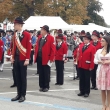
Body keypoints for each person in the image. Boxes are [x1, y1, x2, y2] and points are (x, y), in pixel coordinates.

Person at [11, 17, 31, 102]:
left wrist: (27, 58)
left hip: (23, 58)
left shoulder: (27, 34)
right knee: (17, 76)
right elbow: (13, 47)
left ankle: (23, 95)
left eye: (15, 24)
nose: (14, 26)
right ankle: (18, 94)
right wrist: (12, 57)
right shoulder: (15, 35)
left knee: (23, 77)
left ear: (20, 25)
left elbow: (29, 48)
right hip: (16, 58)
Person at [34, 25, 55, 92]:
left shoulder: (51, 38)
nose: (41, 31)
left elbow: (53, 49)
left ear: (45, 31)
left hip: (46, 58)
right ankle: (41, 85)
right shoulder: (40, 37)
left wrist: (51, 59)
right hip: (39, 57)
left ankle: (46, 86)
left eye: (42, 30)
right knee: (41, 72)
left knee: (46, 73)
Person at [94, 36, 110, 110]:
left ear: (107, 42)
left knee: (109, 89)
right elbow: (95, 60)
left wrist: (108, 61)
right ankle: (103, 105)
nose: (101, 42)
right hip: (101, 70)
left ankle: (109, 105)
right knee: (103, 89)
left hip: (109, 70)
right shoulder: (99, 51)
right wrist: (99, 61)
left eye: (103, 41)